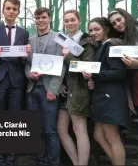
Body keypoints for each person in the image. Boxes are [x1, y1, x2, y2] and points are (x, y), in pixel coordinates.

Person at [108, 8, 138, 166]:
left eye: (119, 19)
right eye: (114, 23)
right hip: (136, 88)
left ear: (126, 17)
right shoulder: (121, 40)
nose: (117, 24)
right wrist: (129, 97)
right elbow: (125, 75)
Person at [0, 0, 30, 166]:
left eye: (14, 9)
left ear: (18, 12)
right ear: (3, 10)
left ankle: (10, 160)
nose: (11, 11)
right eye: (8, 8)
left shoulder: (24, 33)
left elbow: (24, 60)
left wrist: (27, 54)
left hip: (17, 81)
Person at [85, 17, 129, 165]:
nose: (93, 33)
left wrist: (95, 75)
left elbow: (119, 72)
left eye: (97, 29)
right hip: (102, 97)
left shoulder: (110, 46)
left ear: (106, 29)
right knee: (98, 135)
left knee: (112, 137)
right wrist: (93, 81)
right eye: (90, 30)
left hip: (111, 98)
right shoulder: (102, 46)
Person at [25, 7, 67, 166]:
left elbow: (63, 65)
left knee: (50, 129)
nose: (40, 21)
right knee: (37, 129)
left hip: (48, 90)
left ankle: (53, 162)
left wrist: (53, 89)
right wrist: (29, 74)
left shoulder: (60, 37)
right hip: (32, 90)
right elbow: (27, 64)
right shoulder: (30, 40)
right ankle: (41, 161)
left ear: (49, 18)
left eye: (43, 17)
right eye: (37, 18)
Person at [57, 10, 95, 165]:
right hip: (65, 90)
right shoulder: (63, 40)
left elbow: (87, 66)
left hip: (79, 89)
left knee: (80, 130)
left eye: (72, 20)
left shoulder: (87, 41)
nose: (69, 23)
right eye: (66, 21)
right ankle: (76, 162)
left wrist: (68, 57)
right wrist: (59, 84)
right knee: (61, 130)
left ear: (79, 20)